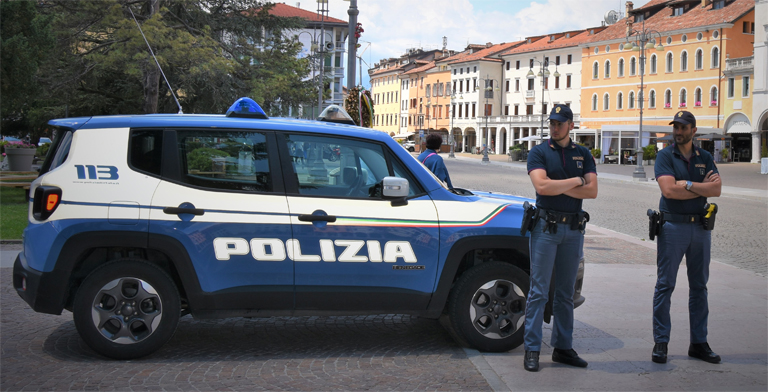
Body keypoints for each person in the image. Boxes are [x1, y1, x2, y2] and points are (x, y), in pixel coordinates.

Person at [523, 104, 598, 372]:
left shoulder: (583, 153)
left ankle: (563, 348)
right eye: (552, 123)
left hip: (573, 230)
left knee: (565, 293)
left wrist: (562, 186)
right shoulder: (539, 152)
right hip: (546, 227)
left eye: (559, 123)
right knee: (538, 291)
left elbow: (593, 192)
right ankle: (532, 348)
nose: (554, 128)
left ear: (570, 125)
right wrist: (577, 180)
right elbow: (542, 186)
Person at [651, 111, 722, 364]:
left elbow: (717, 189)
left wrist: (688, 185)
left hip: (701, 230)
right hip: (673, 228)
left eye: (683, 128)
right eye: (676, 127)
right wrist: (698, 186)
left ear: (693, 130)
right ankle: (661, 342)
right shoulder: (664, 156)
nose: (678, 132)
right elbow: (669, 191)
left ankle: (699, 343)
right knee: (665, 285)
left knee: (700, 287)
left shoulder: (704, 157)